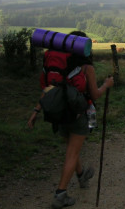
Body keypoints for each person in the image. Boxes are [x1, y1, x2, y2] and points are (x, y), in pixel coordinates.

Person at [28, 31, 114, 209]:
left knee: (71, 150)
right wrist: (106, 85)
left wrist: (36, 110)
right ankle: (61, 194)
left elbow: (48, 89)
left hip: (59, 115)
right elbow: (95, 95)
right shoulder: (86, 68)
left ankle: (82, 175)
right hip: (78, 115)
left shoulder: (55, 65)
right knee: (72, 153)